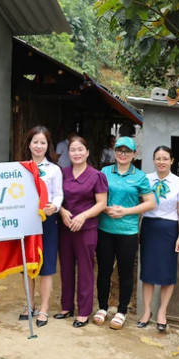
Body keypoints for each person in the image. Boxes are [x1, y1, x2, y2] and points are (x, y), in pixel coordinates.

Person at [94, 136, 156, 330]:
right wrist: (105, 209)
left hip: (128, 231)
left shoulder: (140, 176)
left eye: (127, 151)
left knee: (125, 272)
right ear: (114, 151)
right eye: (119, 150)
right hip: (105, 228)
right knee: (103, 270)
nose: (122, 154)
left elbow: (150, 202)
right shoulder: (105, 172)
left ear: (134, 154)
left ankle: (121, 311)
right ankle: (103, 308)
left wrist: (125, 211)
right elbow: (97, 197)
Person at [56, 135, 108, 327]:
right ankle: (66, 306)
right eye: (72, 150)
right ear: (68, 153)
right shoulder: (62, 173)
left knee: (85, 270)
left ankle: (84, 311)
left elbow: (102, 204)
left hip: (86, 228)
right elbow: (55, 198)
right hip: (65, 227)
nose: (76, 153)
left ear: (87, 152)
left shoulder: (96, 175)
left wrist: (83, 216)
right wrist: (61, 211)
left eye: (80, 149)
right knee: (66, 267)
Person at [138, 146, 179, 333]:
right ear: (153, 160)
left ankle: (162, 312)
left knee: (167, 274)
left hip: (169, 229)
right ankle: (146, 312)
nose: (161, 162)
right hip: (149, 227)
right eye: (158, 158)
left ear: (172, 161)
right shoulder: (146, 180)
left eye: (165, 158)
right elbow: (139, 206)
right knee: (148, 273)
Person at [19, 126, 63, 327]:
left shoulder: (54, 169)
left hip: (48, 222)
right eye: (35, 141)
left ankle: (44, 308)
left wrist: (55, 206)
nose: (38, 146)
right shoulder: (19, 168)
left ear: (48, 145)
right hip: (26, 223)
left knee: (46, 267)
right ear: (29, 144)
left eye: (42, 142)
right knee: (28, 265)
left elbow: (59, 193)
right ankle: (30, 304)